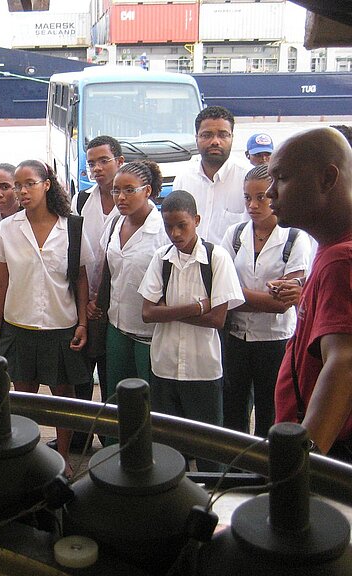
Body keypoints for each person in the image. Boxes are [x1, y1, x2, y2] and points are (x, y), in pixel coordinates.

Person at [0, 159, 94, 477]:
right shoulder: (7, 228)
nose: (22, 191)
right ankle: (27, 453)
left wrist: (83, 323)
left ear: (46, 184)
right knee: (23, 396)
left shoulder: (72, 227)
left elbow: (82, 278)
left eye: (29, 183)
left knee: (63, 397)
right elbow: (0, 282)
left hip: (61, 325)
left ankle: (63, 458)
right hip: (19, 325)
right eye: (18, 185)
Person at [139, 190, 243, 472]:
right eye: (168, 226)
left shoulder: (216, 257)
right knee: (168, 445)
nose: (174, 233)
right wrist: (197, 307)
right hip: (165, 365)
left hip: (203, 368)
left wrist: (168, 311)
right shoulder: (162, 258)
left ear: (196, 220)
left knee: (208, 445)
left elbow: (217, 319)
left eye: (181, 225)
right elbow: (148, 313)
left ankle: (211, 505)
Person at [268, 127, 352, 461]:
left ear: (328, 178)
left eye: (282, 178)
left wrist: (301, 466)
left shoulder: (340, 259)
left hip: (327, 455)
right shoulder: (330, 247)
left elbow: (344, 361)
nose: (271, 192)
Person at [221, 165, 311, 438]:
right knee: (233, 409)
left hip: (275, 340)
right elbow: (222, 292)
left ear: (275, 195)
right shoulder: (234, 234)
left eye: (261, 197)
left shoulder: (295, 238)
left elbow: (282, 303)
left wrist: (238, 293)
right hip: (236, 337)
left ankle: (266, 471)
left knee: (270, 411)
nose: (253, 204)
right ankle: (234, 472)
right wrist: (247, 296)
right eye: (247, 197)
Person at [99, 160, 168, 444]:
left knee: (148, 400)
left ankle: (149, 457)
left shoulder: (163, 230)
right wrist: (98, 303)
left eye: (129, 190)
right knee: (117, 397)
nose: (121, 198)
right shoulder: (115, 222)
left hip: (149, 334)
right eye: (116, 190)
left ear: (148, 191)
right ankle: (117, 454)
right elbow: (107, 268)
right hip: (117, 326)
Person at [67, 135, 122, 452]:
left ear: (120, 161)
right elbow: (75, 255)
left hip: (116, 306)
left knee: (112, 374)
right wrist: (84, 303)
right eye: (91, 163)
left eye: (104, 160)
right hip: (84, 301)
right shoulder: (80, 201)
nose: (97, 168)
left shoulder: (131, 203)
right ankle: (80, 436)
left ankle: (112, 438)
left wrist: (103, 302)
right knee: (82, 373)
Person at [172, 106, 249, 245]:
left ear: (232, 137)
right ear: (196, 138)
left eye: (222, 134)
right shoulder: (184, 179)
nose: (215, 141)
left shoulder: (247, 179)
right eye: (207, 135)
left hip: (232, 265)